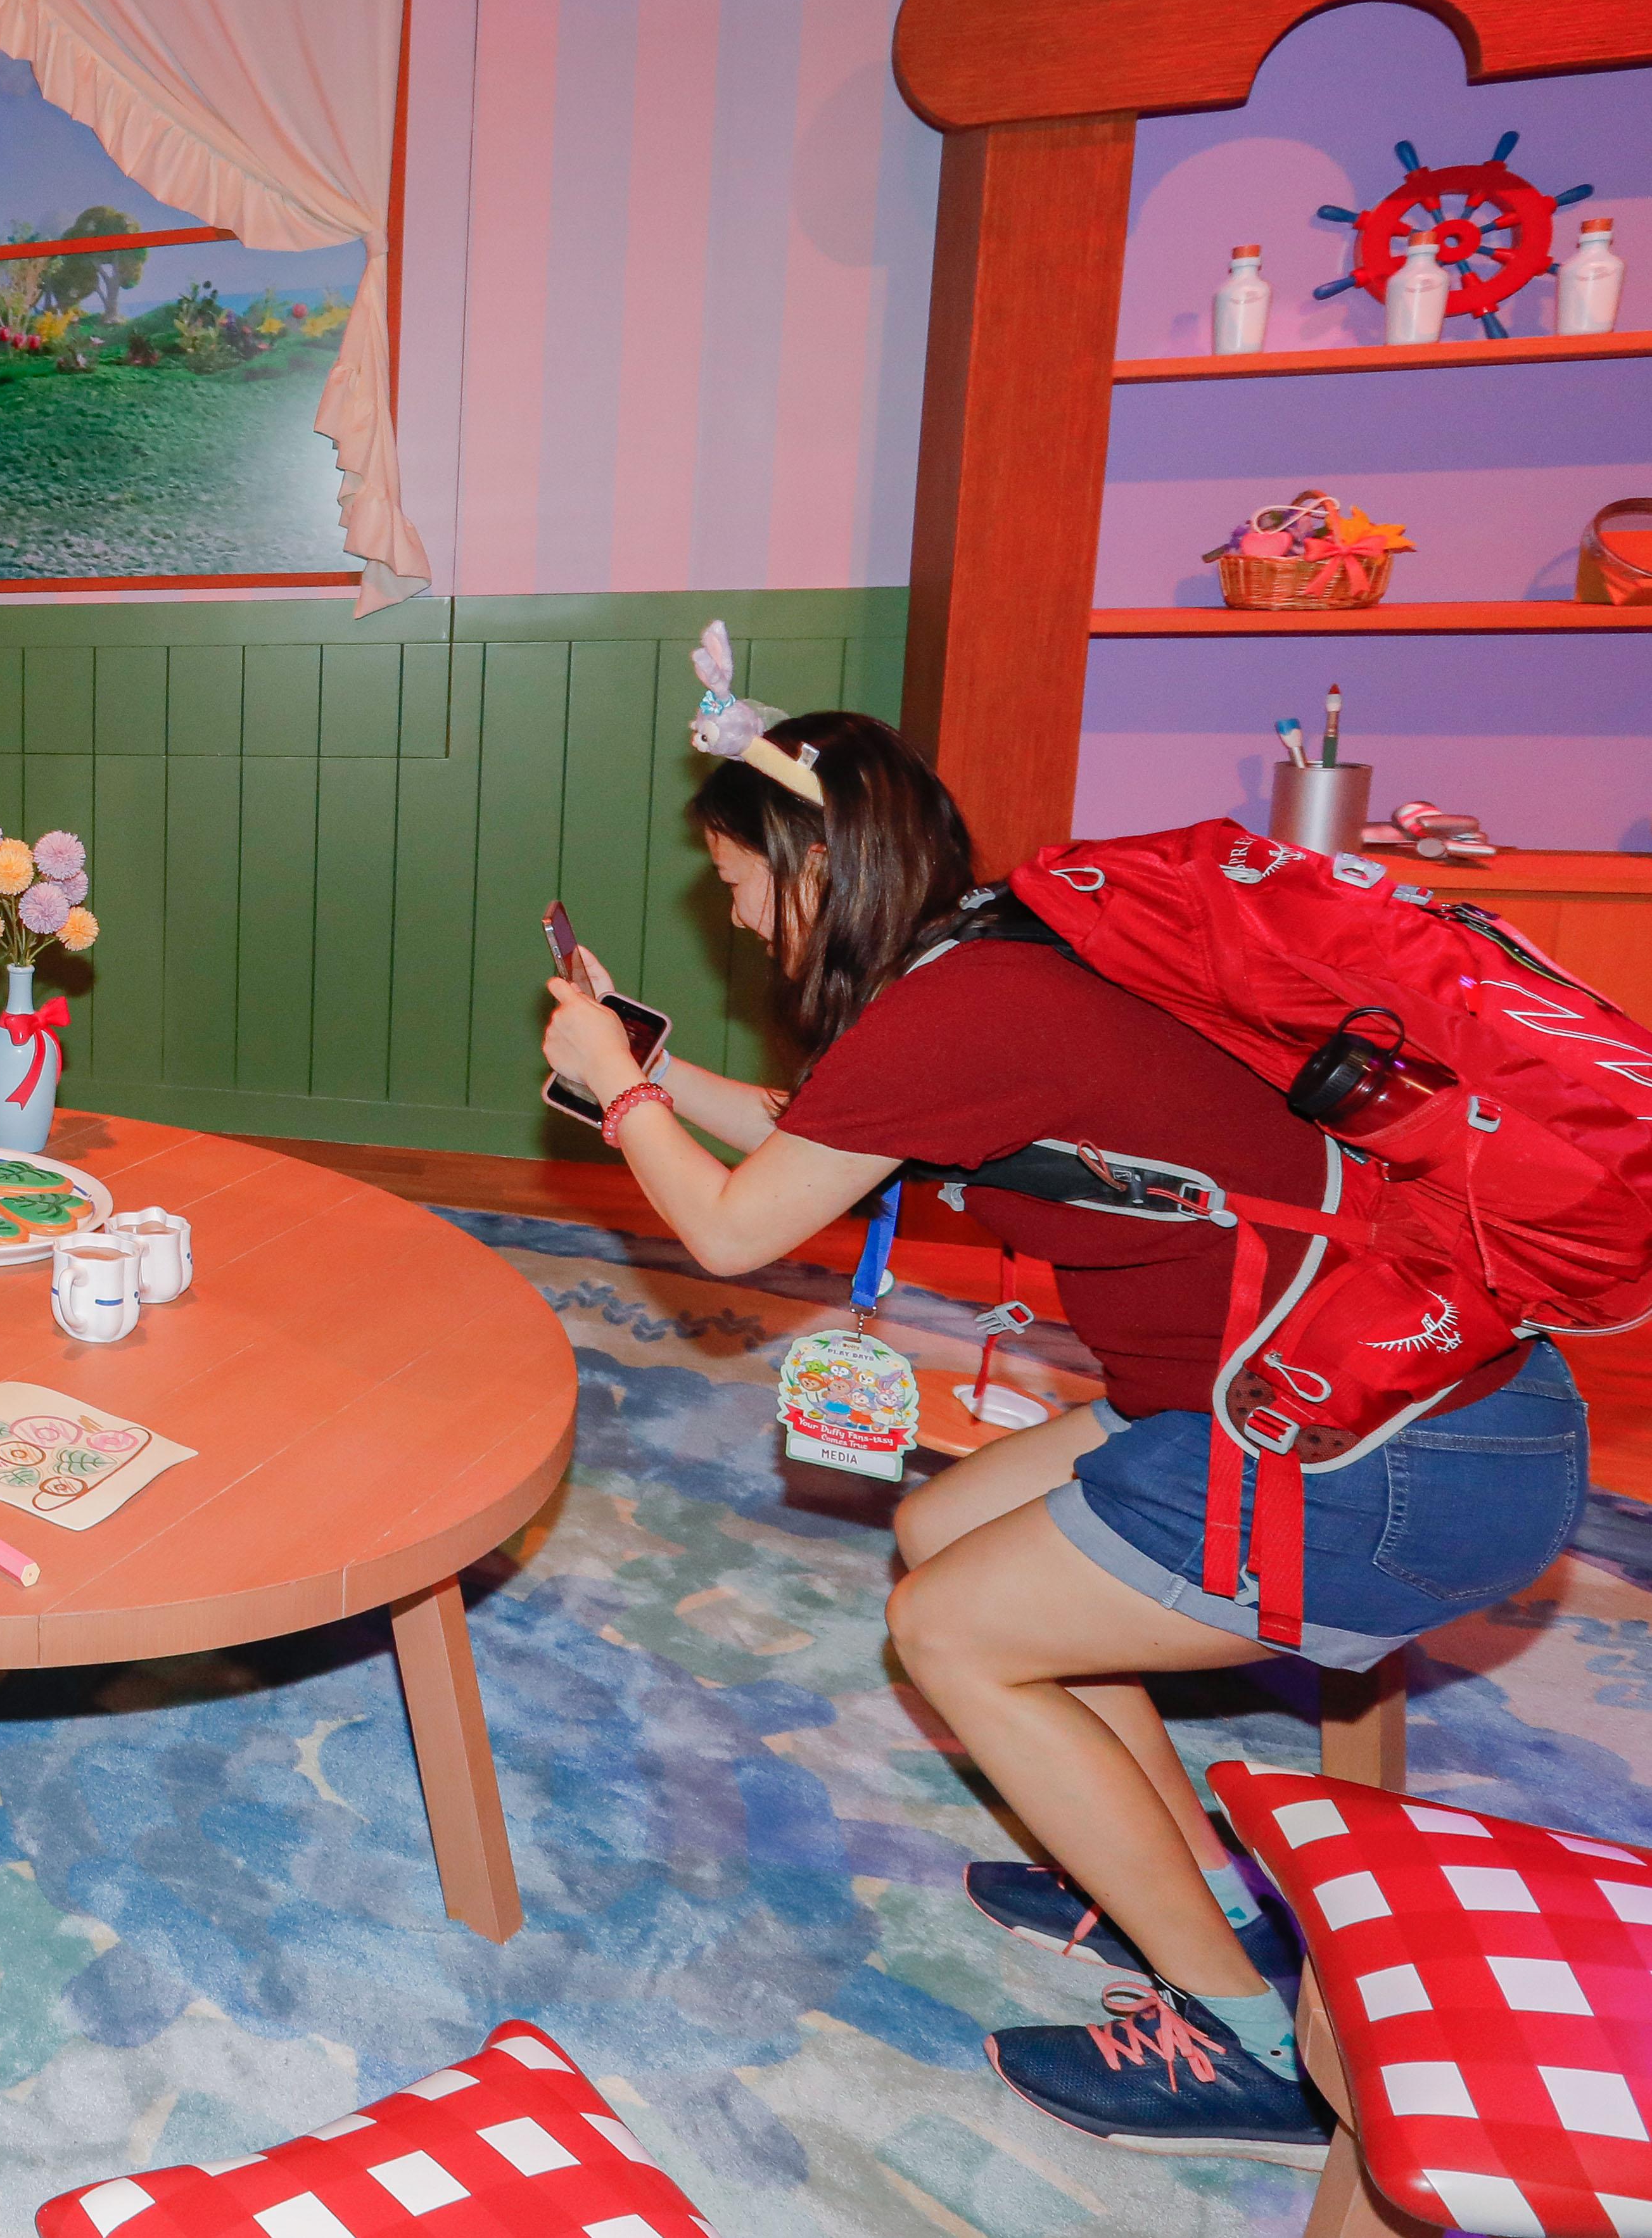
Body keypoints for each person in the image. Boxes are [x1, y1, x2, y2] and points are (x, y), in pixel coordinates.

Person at [538, 708, 1588, 2168]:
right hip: (1355, 1392)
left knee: (949, 1629)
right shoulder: (992, 957)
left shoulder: (951, 1011)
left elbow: (729, 1229)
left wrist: (625, 1086)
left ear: (816, 862)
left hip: (1379, 1456)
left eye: (736, 883)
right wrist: (636, 1073)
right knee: (944, 1527)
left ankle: (1252, 2044)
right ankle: (1183, 1887)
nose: (735, 918)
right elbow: (817, 1129)